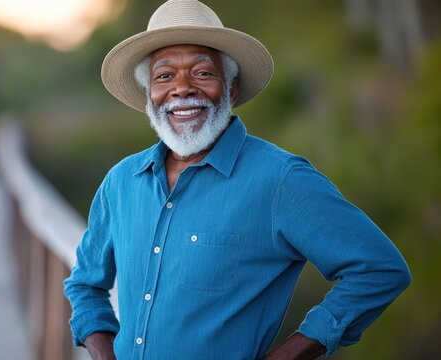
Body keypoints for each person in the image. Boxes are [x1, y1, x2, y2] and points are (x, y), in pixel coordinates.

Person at [63, 1, 411, 359]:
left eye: (202, 73)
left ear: (231, 90)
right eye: (164, 76)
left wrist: (289, 354)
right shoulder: (121, 182)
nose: (182, 89)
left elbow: (378, 269)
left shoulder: (280, 180)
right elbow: (85, 285)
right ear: (148, 95)